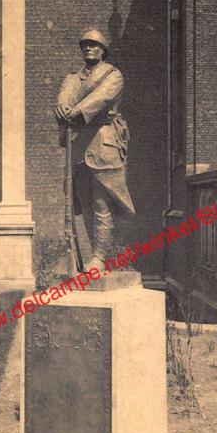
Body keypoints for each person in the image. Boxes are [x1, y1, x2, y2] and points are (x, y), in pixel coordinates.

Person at [54, 28, 135, 271]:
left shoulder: (113, 75)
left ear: (103, 50)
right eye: (85, 45)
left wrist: (76, 110)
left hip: (104, 143)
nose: (89, 48)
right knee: (85, 205)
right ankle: (90, 256)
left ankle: (100, 258)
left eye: (94, 45)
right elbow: (64, 95)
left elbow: (101, 98)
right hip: (78, 147)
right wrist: (62, 107)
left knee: (103, 204)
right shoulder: (72, 77)